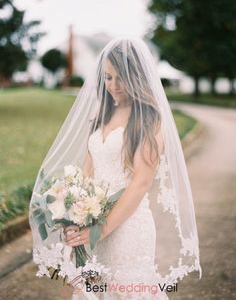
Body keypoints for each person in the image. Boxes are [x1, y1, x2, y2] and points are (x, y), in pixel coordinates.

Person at [29, 38, 201, 300]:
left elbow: (140, 183)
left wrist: (101, 230)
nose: (113, 86)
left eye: (121, 78)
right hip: (92, 222)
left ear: (137, 77)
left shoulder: (149, 119)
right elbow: (88, 171)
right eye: (108, 78)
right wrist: (74, 218)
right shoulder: (102, 114)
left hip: (128, 229)